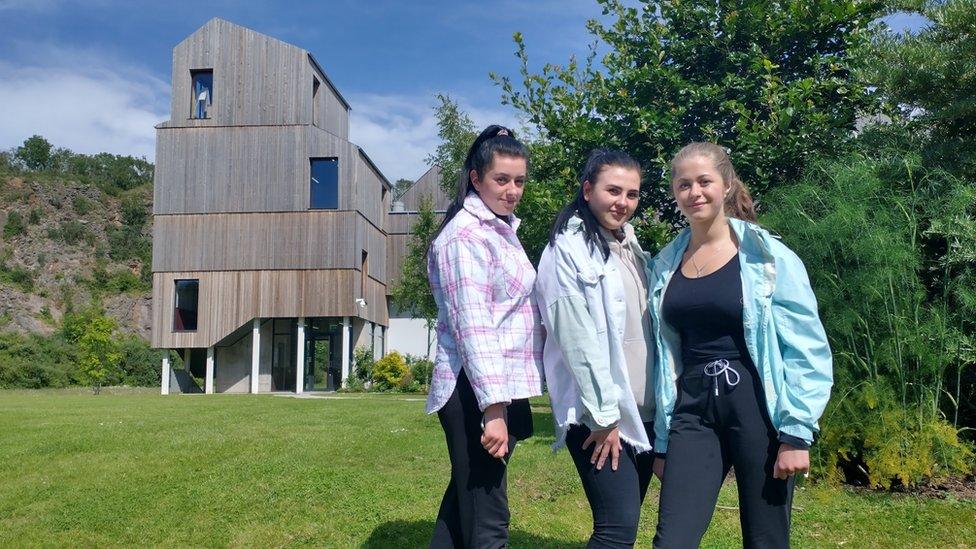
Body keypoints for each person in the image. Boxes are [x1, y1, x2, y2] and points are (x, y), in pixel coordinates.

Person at [649, 142, 833, 548]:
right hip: (692, 412)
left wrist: (796, 432)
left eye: (704, 181)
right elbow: (664, 357)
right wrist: (663, 441)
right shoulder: (664, 264)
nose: (694, 192)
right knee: (672, 539)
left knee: (765, 538)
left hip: (756, 409)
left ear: (727, 184)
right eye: (683, 184)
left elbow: (805, 347)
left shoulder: (769, 258)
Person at [536, 149, 662, 548]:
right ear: (587, 189)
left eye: (632, 194)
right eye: (613, 190)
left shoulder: (630, 248)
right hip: (601, 417)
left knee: (624, 525)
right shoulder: (565, 251)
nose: (623, 202)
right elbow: (576, 340)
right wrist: (605, 418)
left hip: (643, 415)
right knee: (616, 530)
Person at [426, 125, 544, 549]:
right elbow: (472, 325)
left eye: (519, 181)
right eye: (501, 180)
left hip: (497, 382)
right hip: (473, 387)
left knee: (465, 502)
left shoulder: (500, 230)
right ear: (476, 179)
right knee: (488, 517)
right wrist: (493, 408)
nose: (512, 190)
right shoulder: (466, 236)